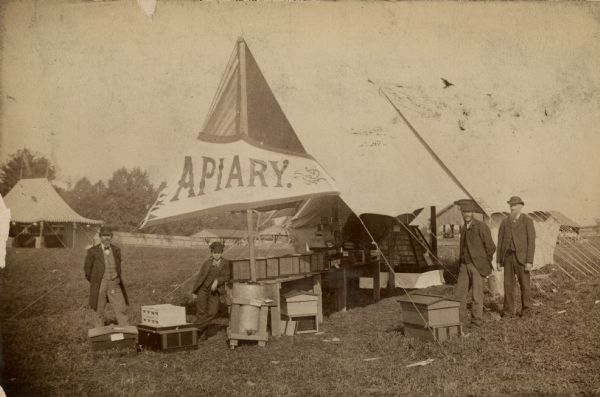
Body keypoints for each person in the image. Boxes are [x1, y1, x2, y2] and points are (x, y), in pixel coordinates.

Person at [453, 200, 496, 327]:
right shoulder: (463, 228)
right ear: (462, 213)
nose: (466, 214)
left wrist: (484, 262)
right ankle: (459, 320)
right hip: (464, 266)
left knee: (477, 295)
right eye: (464, 211)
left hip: (477, 266)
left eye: (469, 212)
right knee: (459, 294)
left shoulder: (481, 226)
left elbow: (491, 247)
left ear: (473, 213)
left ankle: (476, 321)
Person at [497, 196, 536, 318]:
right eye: (511, 205)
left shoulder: (527, 221)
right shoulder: (505, 221)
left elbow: (531, 242)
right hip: (508, 258)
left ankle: (527, 310)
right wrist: (499, 260)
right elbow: (500, 241)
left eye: (515, 205)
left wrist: (529, 261)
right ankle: (508, 311)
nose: (512, 207)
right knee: (508, 285)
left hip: (522, 258)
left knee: (525, 284)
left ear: (521, 206)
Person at [84, 226, 129, 327]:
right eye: (104, 235)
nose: (106, 238)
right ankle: (99, 335)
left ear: (111, 237)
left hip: (115, 283)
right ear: (100, 237)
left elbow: (118, 267)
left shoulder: (117, 250)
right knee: (98, 310)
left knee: (121, 308)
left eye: (108, 235)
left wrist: (116, 278)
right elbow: (87, 270)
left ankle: (126, 333)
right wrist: (96, 282)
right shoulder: (92, 251)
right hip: (100, 284)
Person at [191, 241, 231, 330]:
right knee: (201, 312)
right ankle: (199, 332)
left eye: (219, 253)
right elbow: (200, 277)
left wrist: (217, 281)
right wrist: (194, 291)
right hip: (203, 289)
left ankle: (195, 328)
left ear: (222, 252)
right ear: (211, 252)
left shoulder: (226, 263)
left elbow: (227, 276)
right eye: (215, 253)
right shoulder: (207, 262)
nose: (217, 255)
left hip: (215, 291)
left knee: (213, 312)